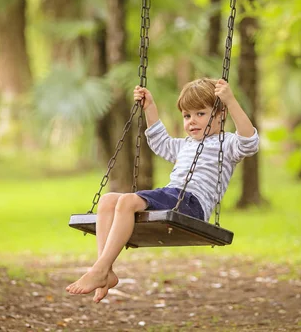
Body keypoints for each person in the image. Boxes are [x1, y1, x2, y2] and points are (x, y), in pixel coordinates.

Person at [65, 78, 259, 302]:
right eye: (187, 115)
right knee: (108, 200)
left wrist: (230, 100)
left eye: (200, 114)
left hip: (191, 204)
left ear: (220, 114)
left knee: (127, 202)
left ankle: (99, 270)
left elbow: (249, 142)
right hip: (173, 195)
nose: (192, 121)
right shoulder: (186, 144)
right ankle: (104, 270)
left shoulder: (228, 144)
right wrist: (150, 107)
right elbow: (160, 142)